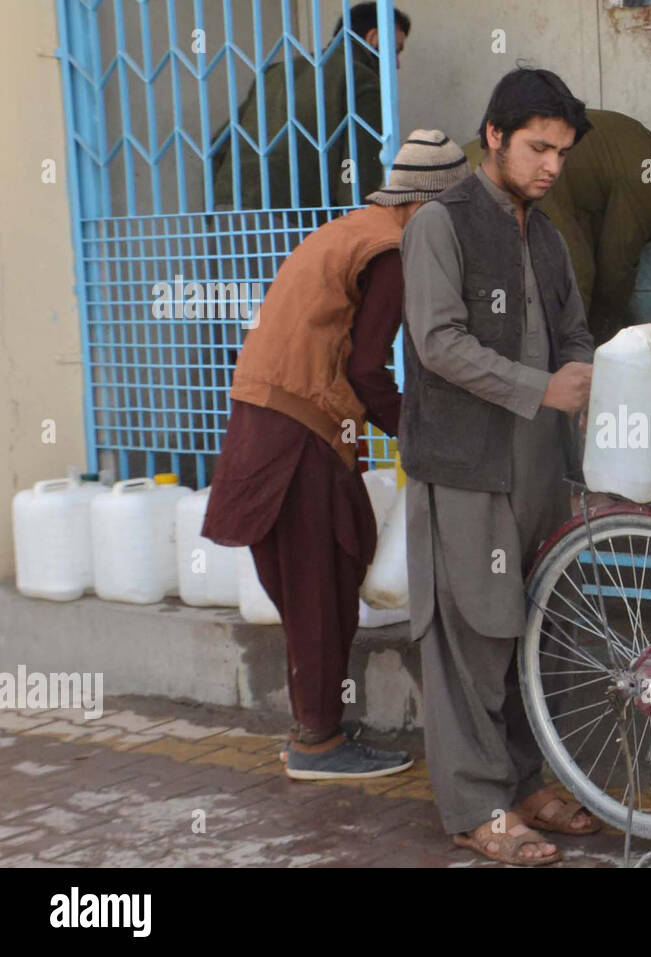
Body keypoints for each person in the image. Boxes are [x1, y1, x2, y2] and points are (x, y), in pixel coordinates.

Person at [202, 131, 471, 779]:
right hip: (300, 427)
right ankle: (318, 741)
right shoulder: (391, 249)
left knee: (315, 574)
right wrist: (418, 432)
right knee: (320, 576)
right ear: (429, 208)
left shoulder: (353, 229)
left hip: (267, 415)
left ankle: (313, 723)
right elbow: (369, 367)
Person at [400, 68, 600, 866]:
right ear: (493, 136)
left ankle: (523, 786)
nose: (552, 165)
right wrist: (541, 386)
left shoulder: (546, 234)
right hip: (466, 467)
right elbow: (439, 344)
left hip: (539, 471)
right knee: (470, 642)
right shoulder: (439, 226)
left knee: (531, 634)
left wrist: (583, 376)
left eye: (562, 152)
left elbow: (576, 331)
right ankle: (476, 807)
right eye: (538, 147)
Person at [462, 109, 651, 345]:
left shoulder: (639, 143)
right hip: (526, 180)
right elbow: (616, 262)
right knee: (572, 280)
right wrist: (606, 333)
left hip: (476, 161)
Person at [212, 3, 412, 209]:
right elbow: (354, 169)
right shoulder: (360, 79)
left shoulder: (277, 72)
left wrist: (214, 209)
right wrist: (352, 222)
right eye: (396, 51)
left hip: (230, 209)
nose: (397, 63)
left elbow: (218, 145)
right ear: (374, 37)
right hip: (294, 214)